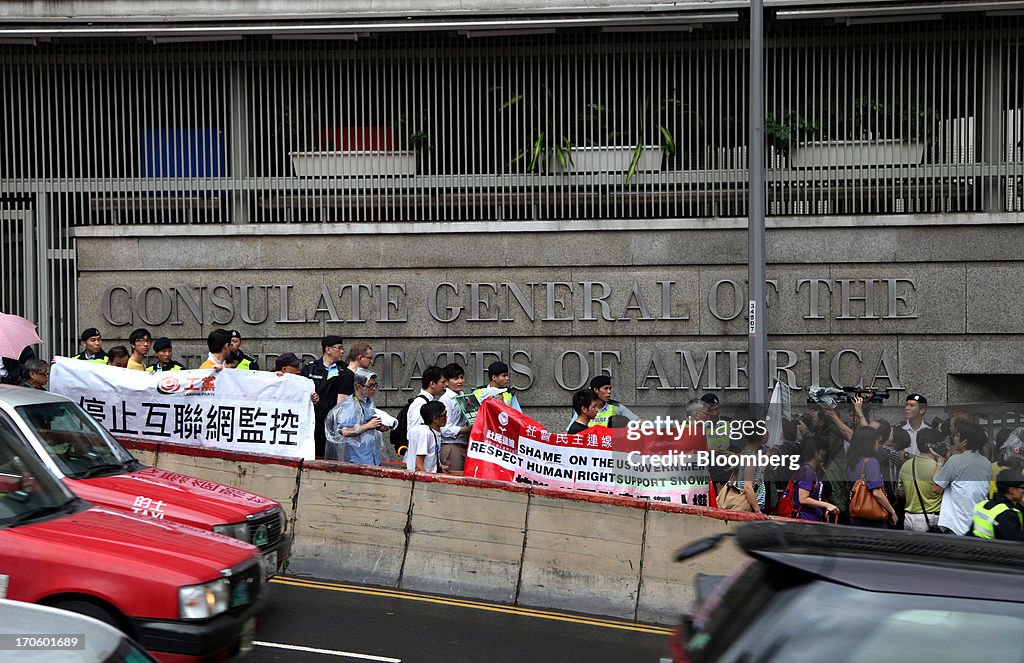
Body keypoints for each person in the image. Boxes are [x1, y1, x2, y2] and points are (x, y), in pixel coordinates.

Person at [933, 420, 993, 535]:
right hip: (978, 526)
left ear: (964, 441)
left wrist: (940, 463)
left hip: (955, 526)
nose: (954, 438)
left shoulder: (955, 460)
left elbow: (937, 488)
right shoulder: (987, 464)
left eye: (957, 436)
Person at [324, 368, 385, 466]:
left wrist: (379, 426)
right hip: (357, 461)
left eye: (375, 385)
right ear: (359, 386)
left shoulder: (368, 403)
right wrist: (368, 426)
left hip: (373, 458)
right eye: (370, 386)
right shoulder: (350, 405)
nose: (374, 389)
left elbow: (367, 424)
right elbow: (344, 431)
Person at [847, 425, 898, 527]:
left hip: (856, 514)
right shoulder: (871, 462)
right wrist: (892, 512)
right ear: (870, 443)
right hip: (872, 516)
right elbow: (877, 492)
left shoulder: (851, 462)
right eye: (876, 440)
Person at [897, 427, 944, 532]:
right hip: (930, 520)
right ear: (933, 446)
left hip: (909, 518)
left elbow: (901, 494)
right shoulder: (938, 468)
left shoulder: (906, 465)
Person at [564, 375, 638, 431]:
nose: (609, 392)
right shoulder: (584, 410)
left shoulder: (616, 406)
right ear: (596, 390)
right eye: (605, 388)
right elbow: (571, 431)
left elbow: (637, 420)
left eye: (610, 388)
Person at [970, 468, 1024, 541]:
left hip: (975, 549)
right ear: (1012, 490)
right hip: (996, 551)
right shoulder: (1007, 514)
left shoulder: (981, 505)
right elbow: (1018, 542)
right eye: (1022, 487)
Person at [793, 436, 839, 521]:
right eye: (823, 449)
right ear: (815, 452)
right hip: (805, 519)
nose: (825, 453)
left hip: (812, 519)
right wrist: (826, 505)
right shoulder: (807, 472)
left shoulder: (813, 471)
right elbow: (803, 498)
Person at [438, 363, 472, 473]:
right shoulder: (445, 400)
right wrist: (466, 429)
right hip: (451, 446)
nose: (460, 381)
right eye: (456, 378)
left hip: (465, 445)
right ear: (446, 382)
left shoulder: (464, 397)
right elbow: (444, 429)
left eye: (462, 377)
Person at [406, 400, 447, 473]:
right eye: (444, 414)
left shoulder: (430, 431)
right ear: (435, 419)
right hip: (424, 480)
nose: (447, 417)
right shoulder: (425, 434)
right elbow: (418, 465)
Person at [735, 432, 767, 515]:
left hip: (752, 503)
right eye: (765, 432)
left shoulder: (746, 451)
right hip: (750, 505)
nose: (768, 434)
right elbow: (748, 487)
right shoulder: (751, 457)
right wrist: (757, 510)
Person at [406, 366, 446, 432]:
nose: (445, 386)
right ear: (432, 384)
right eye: (442, 382)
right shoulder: (420, 404)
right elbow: (417, 431)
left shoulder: (428, 401)